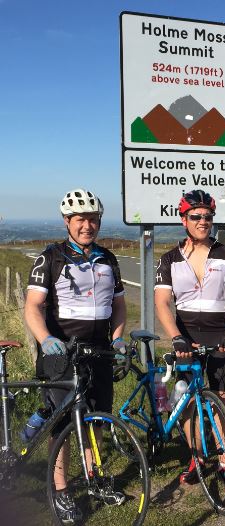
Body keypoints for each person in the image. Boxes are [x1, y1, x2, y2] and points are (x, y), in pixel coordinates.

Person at [24, 188, 127, 523]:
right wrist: (45, 339)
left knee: (96, 419)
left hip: (99, 352)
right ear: (67, 221)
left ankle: (95, 479)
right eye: (81, 219)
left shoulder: (107, 258)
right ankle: (62, 490)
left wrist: (118, 339)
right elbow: (33, 308)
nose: (88, 225)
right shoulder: (50, 258)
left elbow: (119, 305)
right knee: (64, 426)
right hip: (62, 353)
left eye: (93, 218)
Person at [154, 190, 225, 486]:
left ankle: (224, 462)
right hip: (186, 341)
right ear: (184, 220)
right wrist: (175, 337)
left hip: (220, 337)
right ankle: (195, 457)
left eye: (208, 217)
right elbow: (161, 303)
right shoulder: (169, 258)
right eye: (196, 217)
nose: (203, 221)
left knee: (222, 399)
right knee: (187, 402)